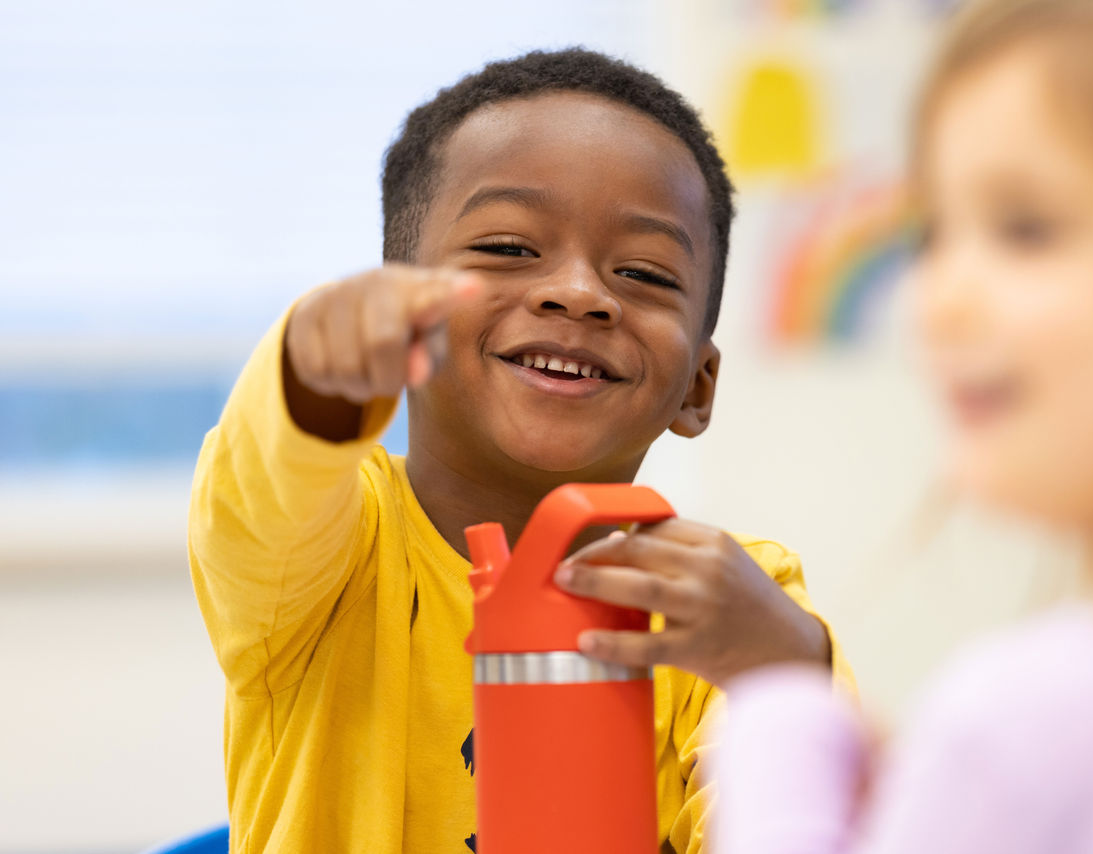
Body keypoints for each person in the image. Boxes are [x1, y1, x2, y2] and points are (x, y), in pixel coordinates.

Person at [189, 48, 851, 854]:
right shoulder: (334, 558)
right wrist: (313, 372)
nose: (578, 292)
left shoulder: (726, 601)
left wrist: (782, 672)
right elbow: (265, 488)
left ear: (697, 387)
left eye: (643, 272)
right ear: (403, 315)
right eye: (508, 248)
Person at [714, 0, 1093, 851]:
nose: (935, 298)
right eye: (934, 235)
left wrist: (775, 734)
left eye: (1027, 230)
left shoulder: (1015, 727)